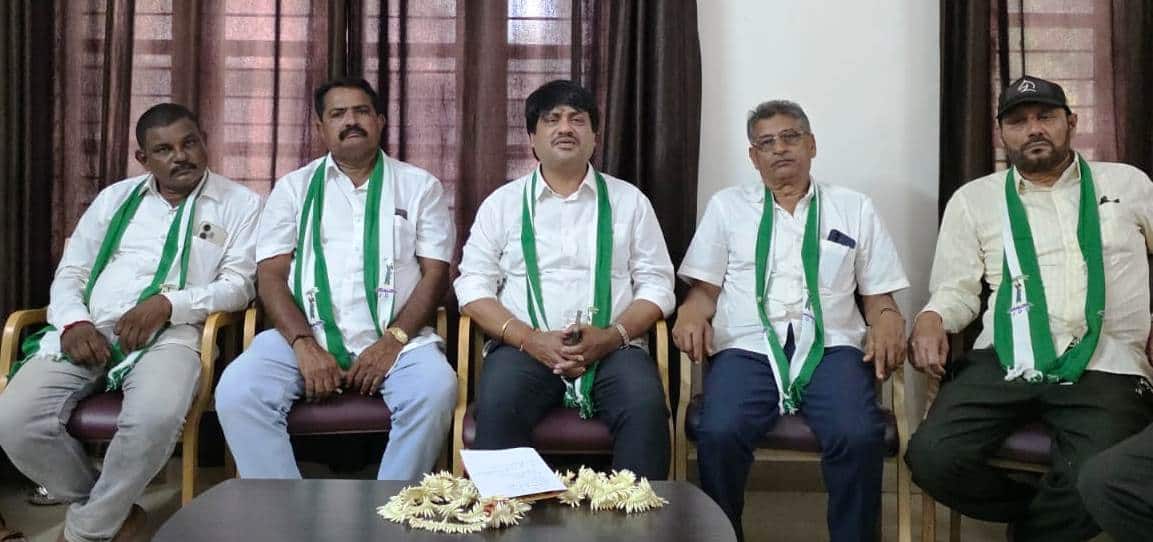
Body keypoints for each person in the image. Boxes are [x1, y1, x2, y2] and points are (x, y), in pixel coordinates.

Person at [905, 75, 1153, 541]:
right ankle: (1037, 517)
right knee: (932, 458)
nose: (1033, 128)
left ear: (1070, 123)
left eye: (1045, 116)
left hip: (1106, 362)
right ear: (1002, 134)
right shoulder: (974, 200)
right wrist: (932, 318)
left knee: (1099, 475)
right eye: (1018, 121)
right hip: (1005, 357)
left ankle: (1046, 523)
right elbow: (956, 290)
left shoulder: (1129, 183)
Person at [0, 103, 261, 542]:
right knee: (14, 419)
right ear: (143, 158)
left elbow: (239, 285)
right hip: (92, 329)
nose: (181, 156)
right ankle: (114, 516)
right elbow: (72, 272)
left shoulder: (241, 204)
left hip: (174, 335)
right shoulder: (115, 199)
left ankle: (85, 532)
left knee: (155, 417)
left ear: (204, 142)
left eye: (189, 143)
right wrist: (74, 322)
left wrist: (169, 304)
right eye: (164, 149)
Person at [673, 100, 909, 541]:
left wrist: (888, 318)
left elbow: (879, 296)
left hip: (831, 347)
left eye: (790, 137)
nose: (779, 148)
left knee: (859, 434)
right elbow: (704, 292)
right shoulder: (727, 207)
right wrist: (689, 313)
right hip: (747, 347)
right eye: (766, 142)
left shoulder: (854, 207)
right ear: (753, 156)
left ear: (812, 145)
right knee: (718, 431)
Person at [214, 78, 457, 480]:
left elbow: (436, 274)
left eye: (361, 111)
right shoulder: (293, 189)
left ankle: (391, 507)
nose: (351, 121)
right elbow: (271, 276)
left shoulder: (419, 186)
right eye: (338, 114)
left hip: (400, 339)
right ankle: (280, 509)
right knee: (239, 391)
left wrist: (393, 341)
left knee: (436, 389)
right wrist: (304, 344)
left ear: (380, 121)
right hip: (303, 336)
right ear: (320, 127)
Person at [454, 79, 675, 480]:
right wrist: (529, 338)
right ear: (532, 139)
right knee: (499, 403)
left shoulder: (630, 202)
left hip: (614, 347)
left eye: (577, 119)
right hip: (523, 348)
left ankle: (634, 515)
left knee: (645, 406)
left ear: (595, 137)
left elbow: (658, 284)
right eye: (551, 119)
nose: (565, 128)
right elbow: (472, 287)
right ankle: (508, 512)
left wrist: (611, 336)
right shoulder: (502, 204)